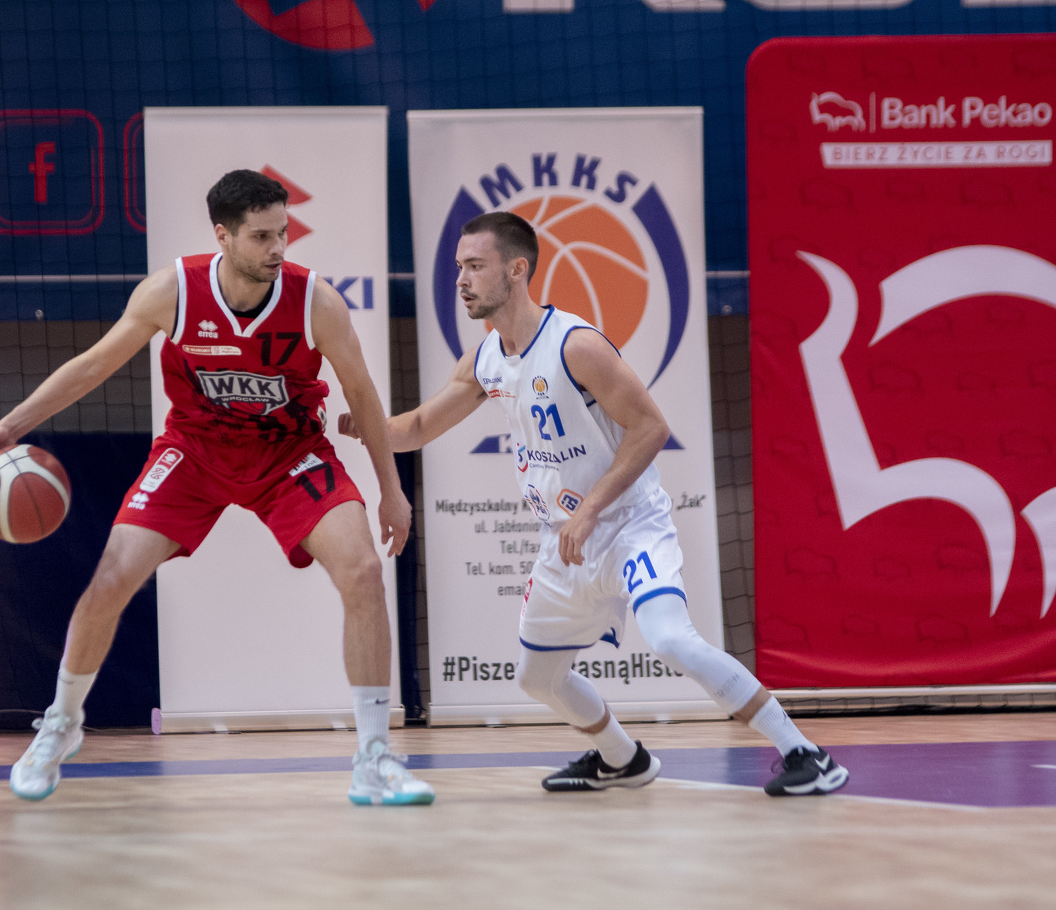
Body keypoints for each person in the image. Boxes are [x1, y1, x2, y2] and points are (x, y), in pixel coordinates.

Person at [341, 212, 849, 797]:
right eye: (459, 267)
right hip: (564, 539)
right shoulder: (485, 359)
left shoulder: (575, 345)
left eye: (475, 266)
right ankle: (622, 759)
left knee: (671, 639)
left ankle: (805, 753)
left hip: (629, 522)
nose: (461, 279)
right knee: (538, 677)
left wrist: (589, 511)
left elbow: (651, 428)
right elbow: (419, 427)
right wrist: (366, 427)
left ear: (517, 269)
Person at [0, 169, 431, 806]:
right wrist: (11, 427)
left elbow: (362, 392)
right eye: (262, 236)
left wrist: (391, 490)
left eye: (283, 233)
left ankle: (374, 759)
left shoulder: (315, 301)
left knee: (363, 571)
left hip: (289, 454)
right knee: (110, 578)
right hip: (193, 453)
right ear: (223, 235)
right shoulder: (173, 291)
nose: (278, 248)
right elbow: (94, 364)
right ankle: (61, 725)